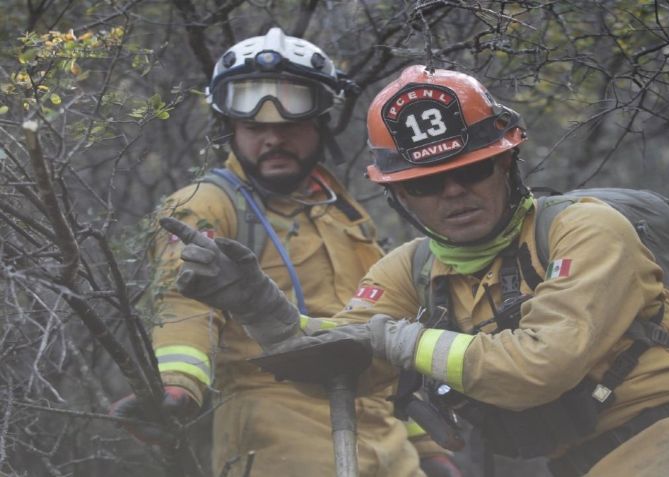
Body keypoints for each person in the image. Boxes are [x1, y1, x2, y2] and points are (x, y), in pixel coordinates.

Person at [163, 65, 669, 476]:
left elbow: (540, 368)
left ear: (508, 164)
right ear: (399, 197)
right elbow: (339, 362)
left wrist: (400, 337)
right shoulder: (412, 269)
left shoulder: (587, 229)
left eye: (472, 170)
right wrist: (260, 308)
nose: (453, 192)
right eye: (425, 182)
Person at [110, 29, 459, 477]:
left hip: (384, 436)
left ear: (319, 125)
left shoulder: (341, 210)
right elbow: (185, 301)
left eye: (290, 126)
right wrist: (177, 385)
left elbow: (383, 332)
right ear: (230, 129)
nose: (273, 139)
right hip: (277, 434)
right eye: (255, 128)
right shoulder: (205, 204)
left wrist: (427, 449)